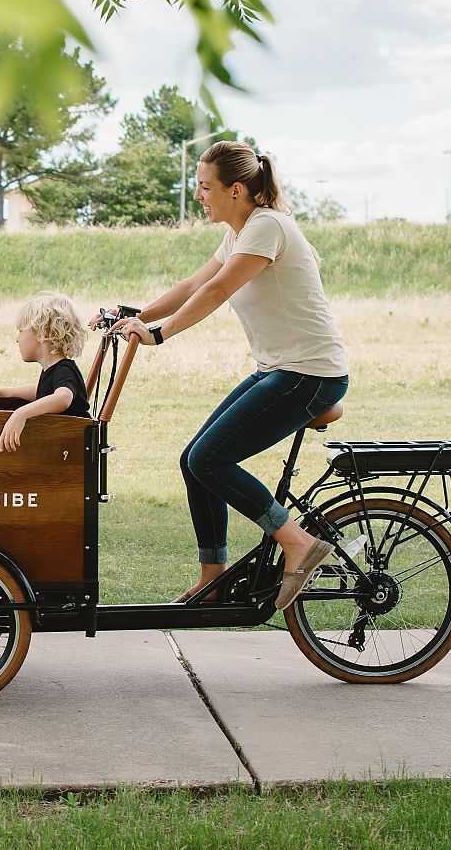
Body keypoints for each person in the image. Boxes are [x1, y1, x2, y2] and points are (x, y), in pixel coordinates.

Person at [106, 141, 348, 611]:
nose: (199, 195)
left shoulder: (267, 227)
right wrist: (136, 313)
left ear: (236, 190)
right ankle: (213, 577)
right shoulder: (239, 232)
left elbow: (217, 291)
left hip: (310, 374)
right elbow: (194, 284)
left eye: (204, 186)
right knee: (192, 460)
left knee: (209, 460)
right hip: (281, 370)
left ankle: (297, 543)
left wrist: (158, 334)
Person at [0, 292, 92, 453]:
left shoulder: (64, 369)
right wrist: (6, 392)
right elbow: (44, 392)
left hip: (71, 451)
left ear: (42, 333)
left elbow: (63, 398)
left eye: (21, 331)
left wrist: (21, 413)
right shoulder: (53, 371)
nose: (17, 339)